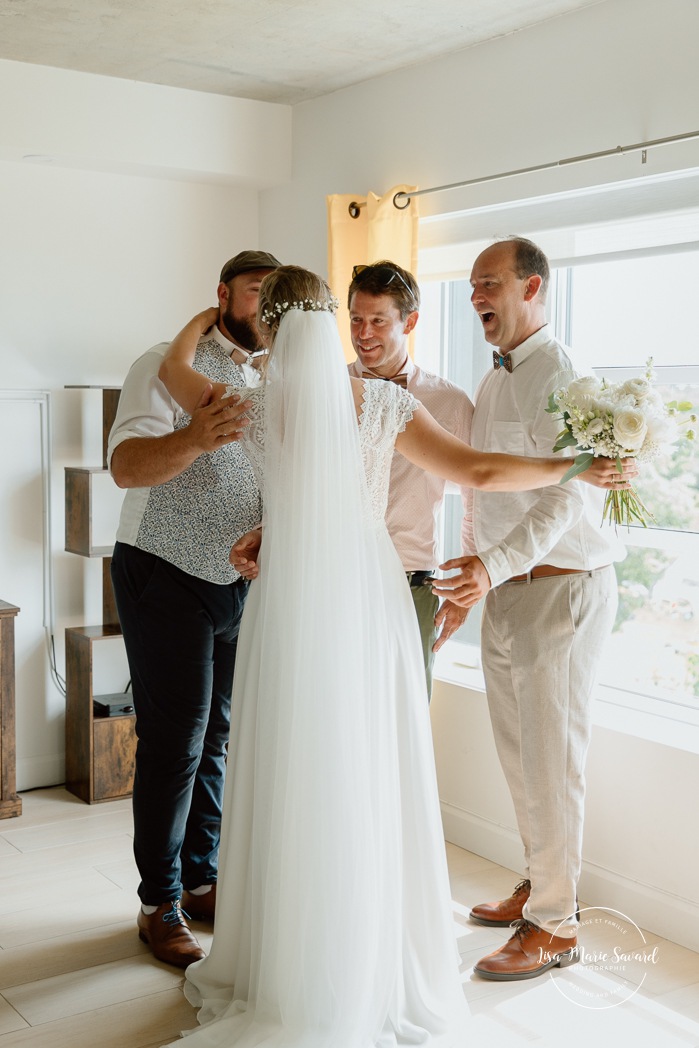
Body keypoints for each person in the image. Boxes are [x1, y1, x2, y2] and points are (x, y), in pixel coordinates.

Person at [156, 265, 631, 1047]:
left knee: (290, 762)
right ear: (331, 322)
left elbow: (179, 369)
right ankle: (361, 955)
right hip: (366, 596)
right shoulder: (380, 403)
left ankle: (283, 958)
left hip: (288, 600)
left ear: (270, 328)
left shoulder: (246, 399)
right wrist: (574, 467)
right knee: (362, 763)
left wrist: (204, 318)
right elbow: (476, 473)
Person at [432, 237, 629, 981]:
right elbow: (484, 490)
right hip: (504, 591)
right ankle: (538, 885)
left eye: (490, 283)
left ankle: (555, 925)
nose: (477, 295)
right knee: (519, 758)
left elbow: (566, 493)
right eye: (472, 285)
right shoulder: (491, 381)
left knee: (553, 763)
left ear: (532, 287)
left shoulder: (561, 373)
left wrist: (491, 566)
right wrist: (472, 577)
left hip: (561, 590)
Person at [107, 249, 282, 968]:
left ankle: (202, 878)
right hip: (164, 571)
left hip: (241, 581)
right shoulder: (162, 362)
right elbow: (125, 467)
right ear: (222, 296)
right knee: (175, 743)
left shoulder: (275, 377)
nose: (264, 309)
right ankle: (160, 902)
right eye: (252, 294)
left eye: (275, 300)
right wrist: (190, 438)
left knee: (219, 737)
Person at [347, 261, 474, 698]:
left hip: (412, 584)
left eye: (378, 321)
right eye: (356, 320)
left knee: (409, 716)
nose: (364, 333)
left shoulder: (451, 402)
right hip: (336, 578)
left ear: (411, 321)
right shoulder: (329, 389)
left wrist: (464, 592)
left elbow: (475, 495)